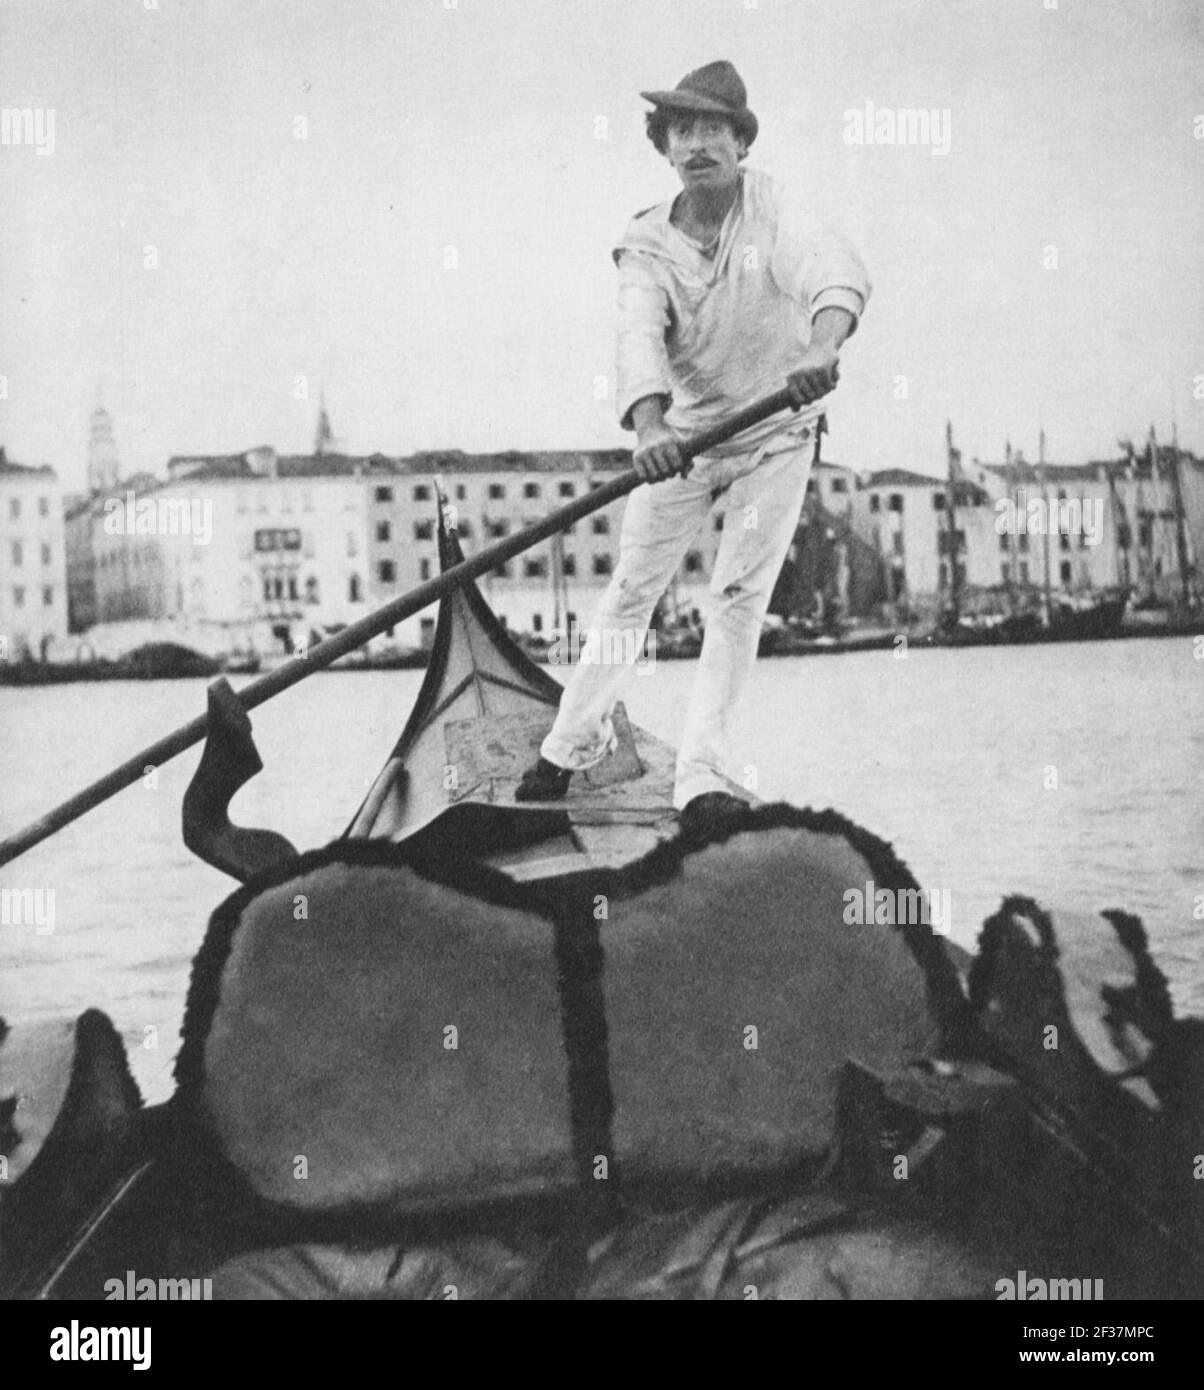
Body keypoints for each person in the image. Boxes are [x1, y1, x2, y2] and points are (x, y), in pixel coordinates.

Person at [517, 60, 871, 833]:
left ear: (741, 143)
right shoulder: (644, 242)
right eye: (683, 130)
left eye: (715, 128)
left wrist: (821, 343)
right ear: (665, 149)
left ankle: (702, 775)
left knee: (736, 599)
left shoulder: (775, 208)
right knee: (630, 592)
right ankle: (565, 749)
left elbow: (829, 266)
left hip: (778, 435)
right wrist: (648, 429)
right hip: (686, 441)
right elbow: (637, 335)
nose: (699, 143)